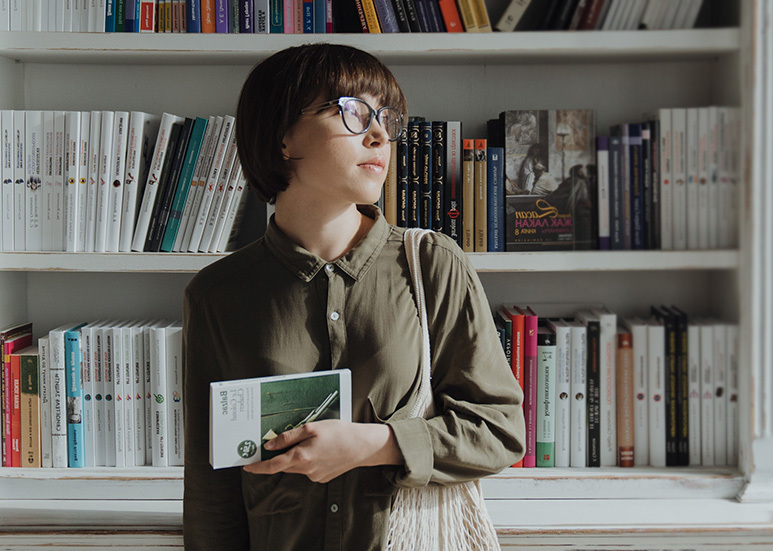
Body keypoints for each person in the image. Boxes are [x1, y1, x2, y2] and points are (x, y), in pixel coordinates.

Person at [182, 44, 525, 551]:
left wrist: (378, 445)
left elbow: (500, 431)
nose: (379, 134)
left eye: (386, 117)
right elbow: (213, 491)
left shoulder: (432, 264)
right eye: (351, 111)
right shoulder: (217, 295)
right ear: (282, 136)